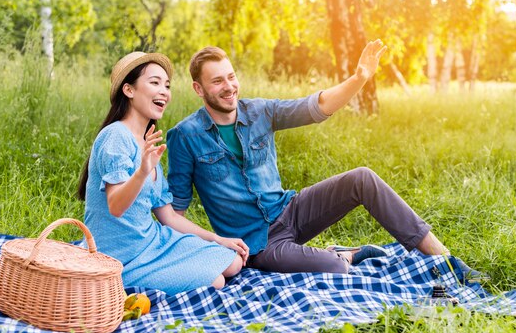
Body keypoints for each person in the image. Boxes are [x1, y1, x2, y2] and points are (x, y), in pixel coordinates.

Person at [167, 41, 485, 278]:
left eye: (231, 77)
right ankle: (344, 256)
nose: (229, 87)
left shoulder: (259, 111)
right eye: (217, 81)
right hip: (258, 245)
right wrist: (214, 244)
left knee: (362, 178)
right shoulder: (185, 136)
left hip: (290, 210)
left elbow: (316, 107)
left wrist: (359, 78)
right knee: (334, 270)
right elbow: (177, 213)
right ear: (198, 88)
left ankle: (448, 262)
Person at [77, 51, 248, 295]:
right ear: (129, 90)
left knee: (232, 261)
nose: (164, 92)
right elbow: (115, 206)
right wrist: (143, 171)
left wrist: (217, 238)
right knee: (216, 281)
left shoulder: (147, 142)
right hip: (121, 258)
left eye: (166, 85)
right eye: (154, 83)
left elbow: (168, 216)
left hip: (154, 242)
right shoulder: (115, 137)